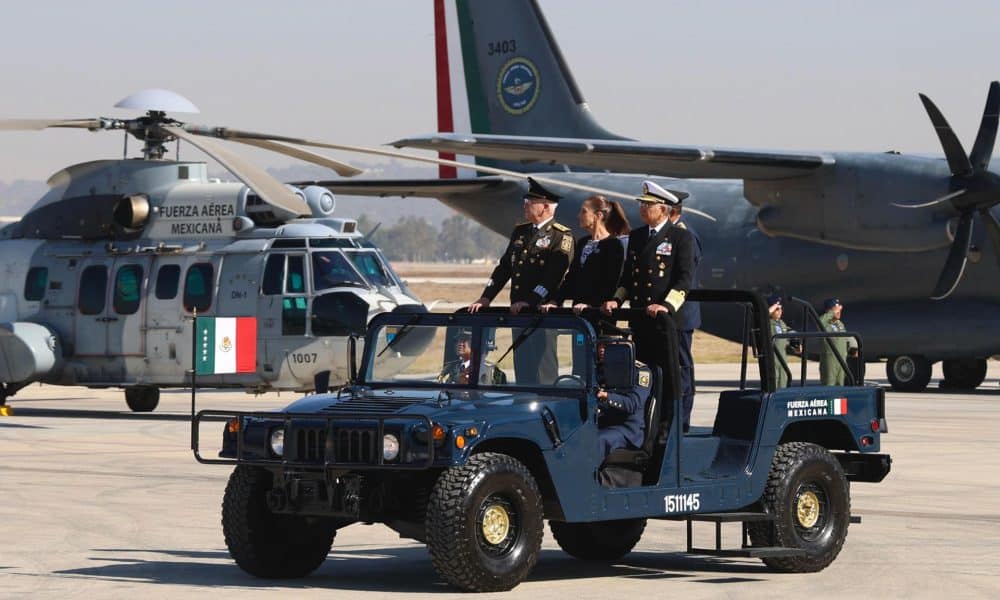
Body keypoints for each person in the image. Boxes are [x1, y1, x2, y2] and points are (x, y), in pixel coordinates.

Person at [602, 180, 695, 432]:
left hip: (666, 323)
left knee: (670, 378)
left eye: (648, 205)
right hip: (641, 320)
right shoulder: (637, 236)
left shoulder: (680, 237)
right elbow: (627, 279)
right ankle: (643, 427)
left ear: (663, 209)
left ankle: (669, 429)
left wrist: (666, 306)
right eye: (641, 204)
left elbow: (684, 279)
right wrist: (616, 300)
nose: (643, 209)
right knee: (643, 376)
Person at [469, 177, 574, 384]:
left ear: (546, 206)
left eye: (530, 202)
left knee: (543, 372)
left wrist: (531, 301)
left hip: (540, 314)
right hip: (518, 312)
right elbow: (504, 268)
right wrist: (486, 297)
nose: (525, 205)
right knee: (523, 371)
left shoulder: (561, 236)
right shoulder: (521, 232)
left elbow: (553, 277)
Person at [667, 191, 701, 430]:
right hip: (666, 313)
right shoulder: (668, 233)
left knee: (681, 368)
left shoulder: (685, 234)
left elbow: (685, 274)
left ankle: (682, 420)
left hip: (680, 313)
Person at [595, 343, 650, 457]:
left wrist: (607, 396)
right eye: (600, 345)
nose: (601, 349)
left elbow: (633, 404)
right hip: (603, 423)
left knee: (599, 440)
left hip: (626, 430)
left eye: (606, 345)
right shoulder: (599, 369)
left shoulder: (640, 371)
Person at [437, 331, 506, 385]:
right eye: (458, 341)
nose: (460, 344)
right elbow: (443, 390)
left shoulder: (490, 370)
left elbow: (499, 395)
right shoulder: (450, 368)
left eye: (464, 340)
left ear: (475, 343)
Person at [819, 298, 858, 386]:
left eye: (839, 309)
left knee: (840, 385)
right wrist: (832, 312)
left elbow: (844, 338)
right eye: (836, 309)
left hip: (842, 359)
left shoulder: (840, 324)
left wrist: (852, 348)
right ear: (828, 310)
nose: (838, 312)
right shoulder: (825, 322)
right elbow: (820, 322)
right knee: (829, 385)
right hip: (830, 360)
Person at [768, 294, 795, 388]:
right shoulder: (767, 322)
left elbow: (789, 336)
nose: (780, 311)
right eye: (777, 309)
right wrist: (774, 306)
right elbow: (762, 316)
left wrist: (796, 345)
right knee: (773, 385)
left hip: (782, 360)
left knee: (783, 384)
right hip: (773, 360)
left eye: (781, 308)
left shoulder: (781, 323)